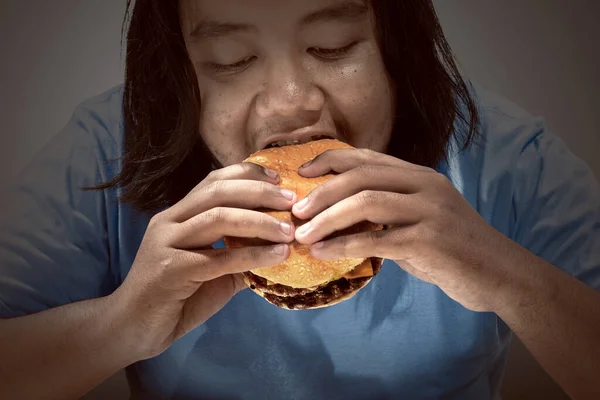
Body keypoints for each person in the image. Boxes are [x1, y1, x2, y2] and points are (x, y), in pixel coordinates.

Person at [1, 0, 599, 399]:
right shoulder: (110, 147)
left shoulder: (503, 153)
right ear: (180, 75)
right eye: (230, 60)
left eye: (334, 46)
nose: (289, 102)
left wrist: (509, 278)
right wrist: (120, 326)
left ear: (397, 47)